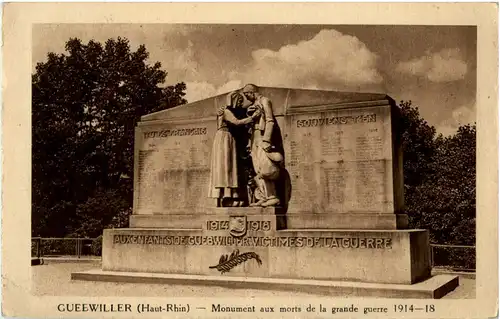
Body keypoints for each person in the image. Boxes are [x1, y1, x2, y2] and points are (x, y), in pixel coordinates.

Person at [208, 91, 261, 207]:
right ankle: (226, 196)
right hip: (224, 138)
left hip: (229, 138)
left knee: (231, 166)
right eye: (239, 101)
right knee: (226, 166)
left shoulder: (228, 111)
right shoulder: (226, 111)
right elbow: (236, 122)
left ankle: (233, 195)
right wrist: (253, 117)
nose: (240, 104)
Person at [242, 84, 284, 207]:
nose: (246, 98)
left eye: (247, 95)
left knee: (265, 166)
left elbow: (270, 120)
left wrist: (266, 140)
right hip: (254, 137)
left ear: (252, 92)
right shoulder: (252, 105)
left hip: (261, 136)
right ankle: (263, 197)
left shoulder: (265, 101)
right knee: (257, 168)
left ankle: (272, 196)